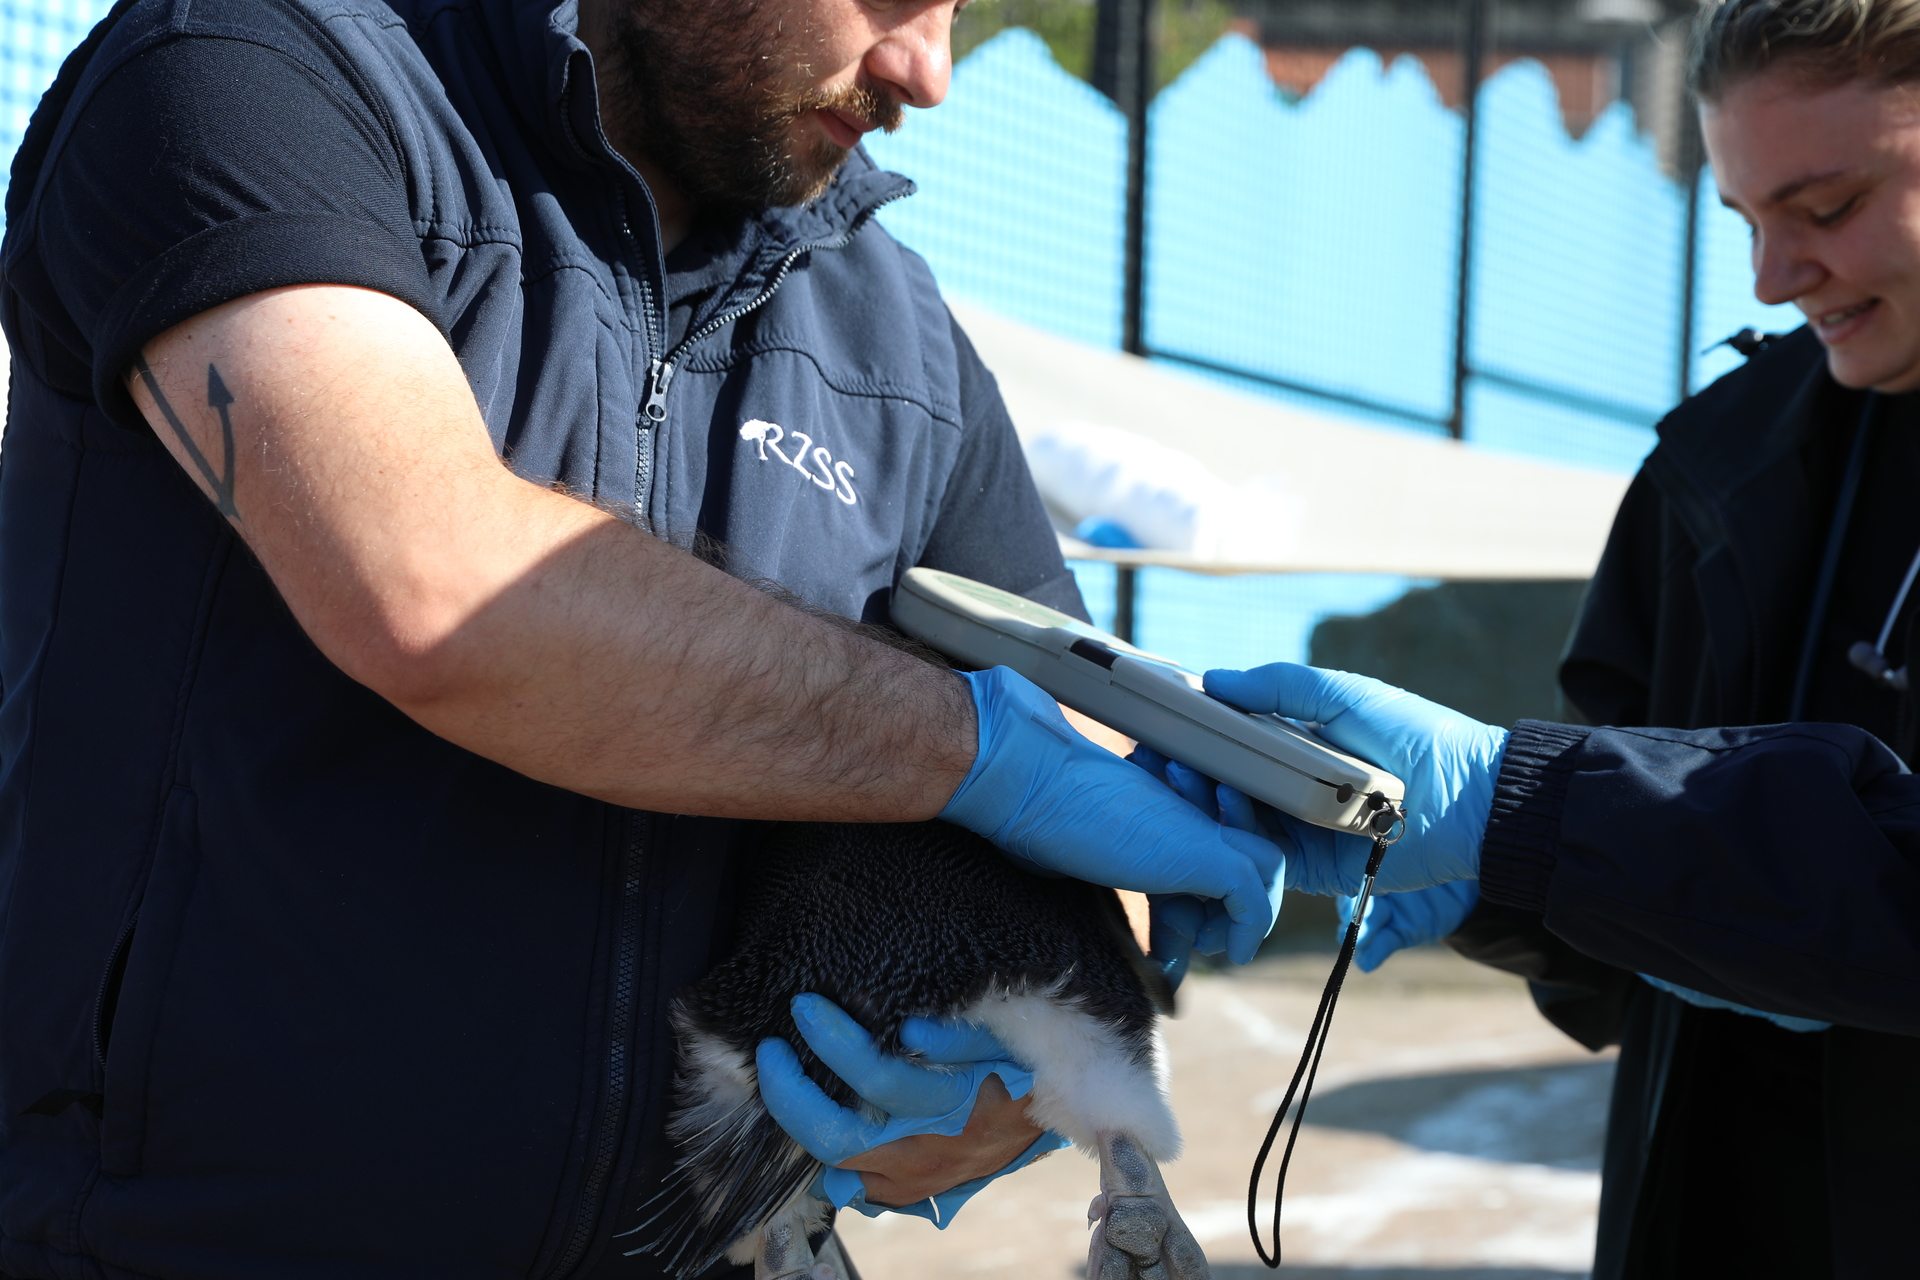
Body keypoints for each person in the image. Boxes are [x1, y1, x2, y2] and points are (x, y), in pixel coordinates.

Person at [0, 2, 1289, 1277]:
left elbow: (1086, 779)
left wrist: (1004, 1086)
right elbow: (434, 588)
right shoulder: (260, 74)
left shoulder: (898, 340)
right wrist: (975, 748)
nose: (927, 70)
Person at [1156, 4, 1920, 1274]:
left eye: (1828, 208)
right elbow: (1647, 917)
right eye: (1743, 219)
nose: (1773, 276)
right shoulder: (1718, 464)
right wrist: (1497, 876)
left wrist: (1523, 807)